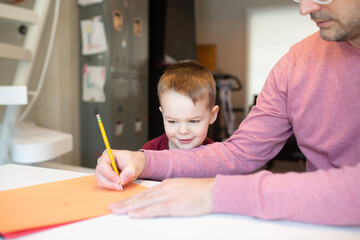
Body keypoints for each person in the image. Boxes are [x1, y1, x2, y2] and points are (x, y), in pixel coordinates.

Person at [95, 0, 360, 226]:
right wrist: (142, 161)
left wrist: (217, 193)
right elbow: (242, 152)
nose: (305, 8)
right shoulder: (296, 63)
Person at [141, 61, 219, 150]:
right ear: (163, 115)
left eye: (193, 121)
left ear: (212, 115)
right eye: (172, 121)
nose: (183, 131)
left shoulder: (215, 155)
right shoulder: (150, 152)